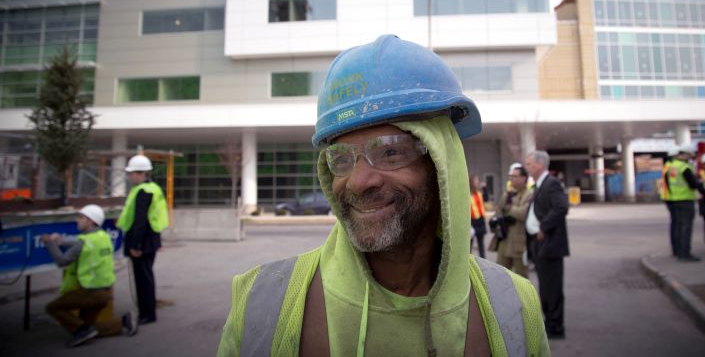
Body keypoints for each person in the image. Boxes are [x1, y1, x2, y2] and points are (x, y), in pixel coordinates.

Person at [217, 35, 549, 356]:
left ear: (440, 164)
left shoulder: (513, 307)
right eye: (342, 159)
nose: (358, 182)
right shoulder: (261, 304)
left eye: (390, 153)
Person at [44, 205, 137, 347]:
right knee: (89, 327)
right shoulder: (104, 237)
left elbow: (62, 261)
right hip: (106, 293)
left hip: (90, 292)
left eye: (81, 217)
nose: (77, 220)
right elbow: (79, 241)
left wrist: (50, 243)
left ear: (91, 221)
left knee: (52, 307)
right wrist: (61, 240)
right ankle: (124, 322)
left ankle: (82, 331)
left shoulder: (84, 242)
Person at [117, 154, 169, 325]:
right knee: (146, 277)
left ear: (141, 173)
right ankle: (148, 311)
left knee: (143, 279)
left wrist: (135, 245)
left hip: (142, 242)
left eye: (132, 173)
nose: (130, 176)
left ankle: (146, 314)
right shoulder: (154, 188)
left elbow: (140, 220)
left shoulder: (143, 191)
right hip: (151, 239)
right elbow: (155, 217)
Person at [524, 150, 569, 340]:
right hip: (538, 244)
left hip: (550, 244)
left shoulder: (552, 184)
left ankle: (556, 327)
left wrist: (543, 227)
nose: (527, 167)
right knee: (544, 287)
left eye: (530, 164)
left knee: (552, 287)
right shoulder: (539, 185)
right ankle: (549, 322)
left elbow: (561, 208)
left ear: (540, 165)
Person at [666, 144, 705, 262]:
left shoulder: (673, 166)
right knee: (686, 227)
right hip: (685, 199)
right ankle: (685, 253)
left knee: (678, 225)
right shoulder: (684, 167)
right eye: (690, 155)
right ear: (686, 154)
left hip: (675, 199)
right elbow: (693, 184)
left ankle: (678, 251)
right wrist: (700, 183)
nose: (690, 157)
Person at [493, 164, 532, 276]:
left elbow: (524, 213)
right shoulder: (508, 194)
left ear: (524, 178)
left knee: (521, 277)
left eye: (515, 176)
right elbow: (498, 211)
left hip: (520, 243)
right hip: (504, 241)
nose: (511, 178)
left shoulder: (529, 195)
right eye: (511, 176)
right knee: (500, 275)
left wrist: (510, 208)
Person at [659, 145, 679, 256]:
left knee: (675, 224)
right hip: (674, 198)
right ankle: (676, 249)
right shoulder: (672, 167)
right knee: (677, 224)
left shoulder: (667, 166)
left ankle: (676, 248)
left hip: (670, 197)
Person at [469, 173, 487, 259]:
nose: (478, 182)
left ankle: (483, 262)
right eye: (476, 181)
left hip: (480, 221)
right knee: (469, 245)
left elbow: (486, 199)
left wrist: (485, 188)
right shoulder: (467, 194)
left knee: (481, 244)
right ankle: (467, 263)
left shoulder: (479, 193)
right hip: (471, 222)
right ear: (471, 182)